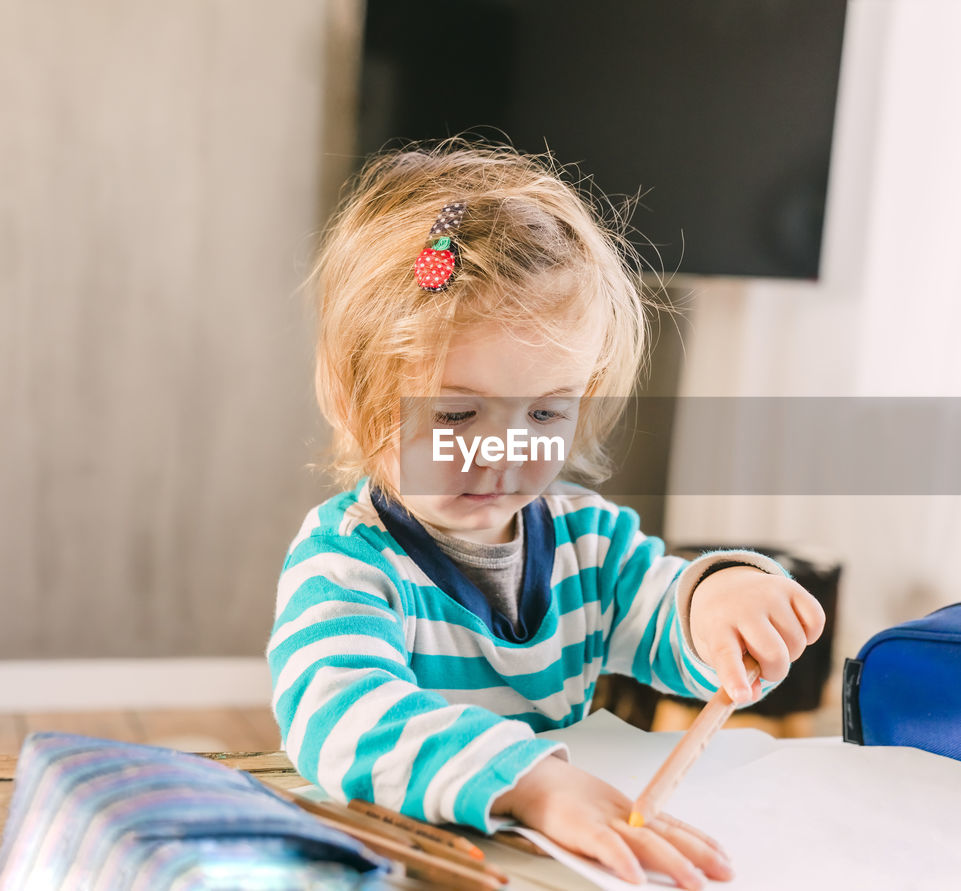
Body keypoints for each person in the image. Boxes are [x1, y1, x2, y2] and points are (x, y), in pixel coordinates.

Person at [267, 141, 826, 888]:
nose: (501, 452)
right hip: (408, 864)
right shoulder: (347, 560)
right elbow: (340, 713)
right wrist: (532, 784)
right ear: (349, 396)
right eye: (458, 413)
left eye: (545, 411)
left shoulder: (585, 540)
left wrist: (720, 601)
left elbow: (662, 608)